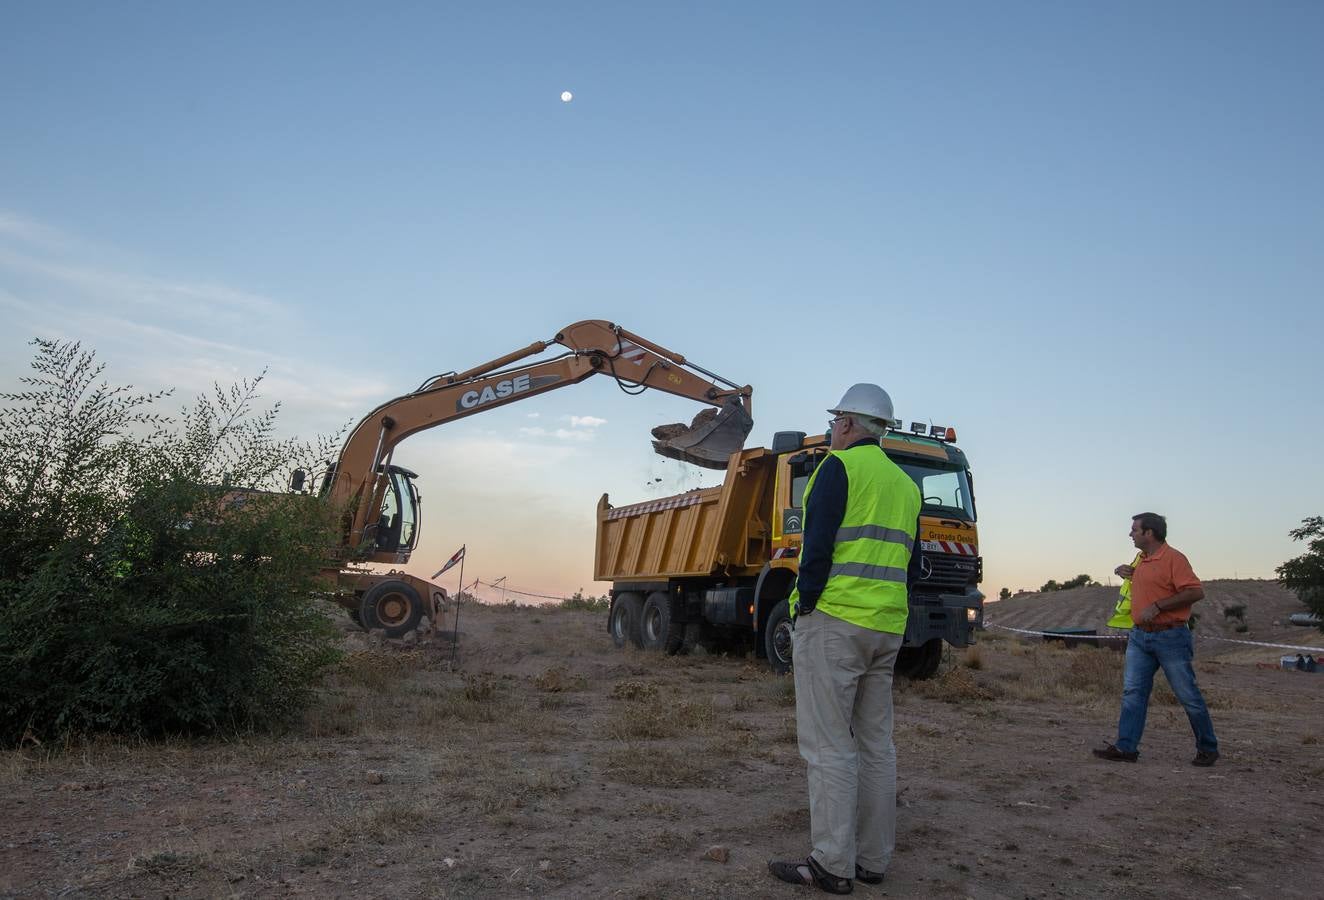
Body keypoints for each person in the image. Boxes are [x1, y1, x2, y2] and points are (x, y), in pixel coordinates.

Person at [769, 383, 921, 895]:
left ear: (850, 424)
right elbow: (910, 562)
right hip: (886, 627)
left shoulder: (838, 468)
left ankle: (832, 863)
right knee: (877, 744)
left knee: (828, 746)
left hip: (834, 622)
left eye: (836, 420)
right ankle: (873, 860)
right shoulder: (905, 484)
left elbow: (816, 551)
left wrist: (805, 605)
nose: (832, 428)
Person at [1093, 512, 1220, 767]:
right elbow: (1149, 582)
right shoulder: (1142, 559)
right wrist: (1127, 573)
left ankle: (1208, 748)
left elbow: (1196, 591)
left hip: (1170, 637)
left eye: (1134, 530)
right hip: (1140, 637)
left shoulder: (1174, 558)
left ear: (1149, 533)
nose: (1130, 534)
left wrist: (1159, 606)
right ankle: (1126, 748)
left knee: (1187, 695)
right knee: (1133, 693)